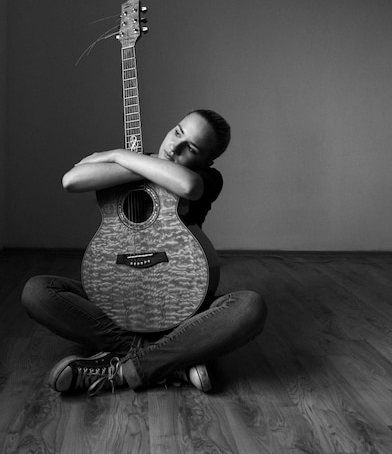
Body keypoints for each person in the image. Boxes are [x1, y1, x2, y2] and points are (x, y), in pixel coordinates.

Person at [22, 109, 267, 396]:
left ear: (206, 160)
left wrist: (115, 154)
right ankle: (171, 358)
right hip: (119, 295)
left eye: (191, 148)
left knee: (250, 307)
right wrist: (133, 160)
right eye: (177, 132)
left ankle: (123, 370)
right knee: (36, 291)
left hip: (184, 303)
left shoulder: (208, 177)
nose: (174, 147)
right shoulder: (142, 163)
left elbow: (188, 185)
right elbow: (71, 181)